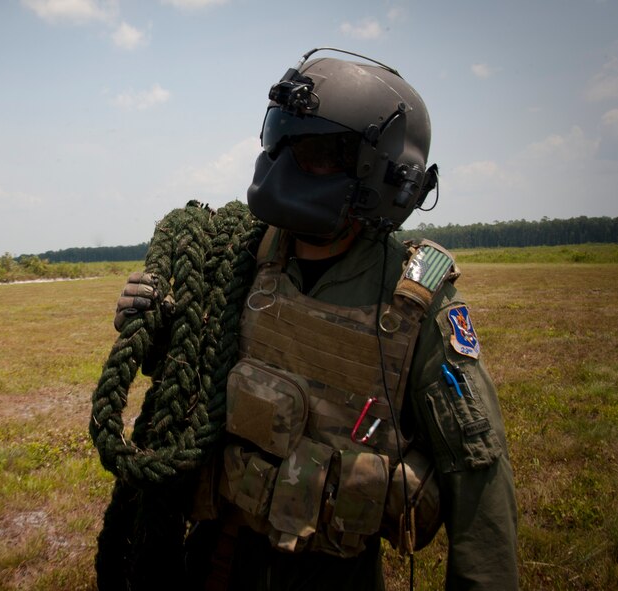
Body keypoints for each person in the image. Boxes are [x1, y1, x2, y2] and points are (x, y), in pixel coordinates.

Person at [106, 48, 518, 590]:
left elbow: (477, 472)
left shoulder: (416, 303)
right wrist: (158, 330)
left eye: (316, 152)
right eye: (279, 141)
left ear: (383, 176)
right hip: (218, 561)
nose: (282, 167)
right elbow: (193, 377)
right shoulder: (241, 258)